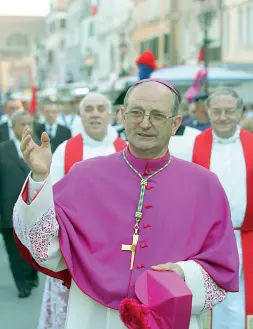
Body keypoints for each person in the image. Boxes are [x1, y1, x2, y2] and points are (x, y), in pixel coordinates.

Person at [13, 79, 239, 329]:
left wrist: (183, 274)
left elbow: (220, 273)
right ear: (122, 116)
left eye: (157, 115)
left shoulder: (204, 186)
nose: (144, 123)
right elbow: (44, 246)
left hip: (167, 317)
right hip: (93, 316)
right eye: (137, 113)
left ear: (175, 123)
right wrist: (39, 179)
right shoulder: (84, 176)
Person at [37, 92, 127, 329]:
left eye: (100, 108)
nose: (95, 114)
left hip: (117, 246)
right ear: (81, 115)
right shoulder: (65, 150)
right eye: (89, 109)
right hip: (75, 244)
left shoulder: (127, 149)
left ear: (112, 115)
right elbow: (51, 198)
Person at [190, 88, 253, 329]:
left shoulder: (252, 142)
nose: (223, 117)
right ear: (209, 112)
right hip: (209, 240)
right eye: (217, 111)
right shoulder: (194, 145)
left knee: (245, 298)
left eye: (229, 111)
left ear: (240, 112)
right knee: (214, 300)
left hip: (247, 234)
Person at [0, 111, 38, 298]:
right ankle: (22, 284)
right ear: (13, 127)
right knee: (15, 252)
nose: (26, 128)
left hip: (34, 210)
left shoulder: (39, 148)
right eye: (22, 124)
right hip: (9, 211)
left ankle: (32, 274)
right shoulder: (2, 150)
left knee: (33, 248)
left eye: (29, 123)